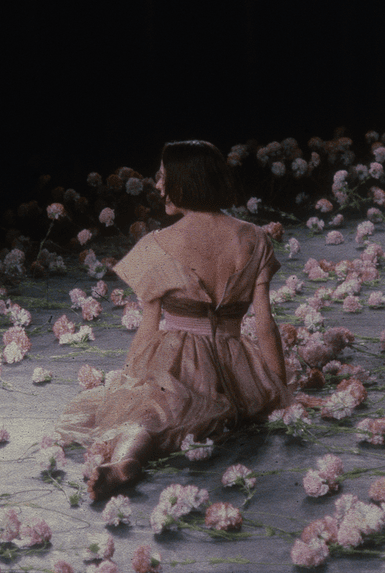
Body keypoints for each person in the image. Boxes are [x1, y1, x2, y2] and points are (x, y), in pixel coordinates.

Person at [55, 140, 292, 500]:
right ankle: (125, 460)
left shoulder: (158, 243)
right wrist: (277, 388)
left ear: (186, 182)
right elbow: (265, 324)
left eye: (164, 178)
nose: (159, 186)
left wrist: (132, 381)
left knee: (147, 414)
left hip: (177, 360)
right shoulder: (254, 238)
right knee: (173, 411)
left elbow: (149, 327)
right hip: (237, 369)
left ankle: (125, 460)